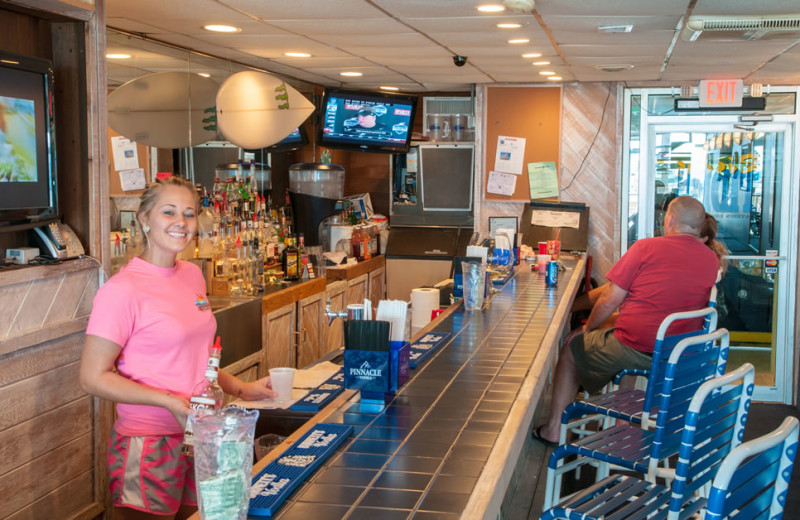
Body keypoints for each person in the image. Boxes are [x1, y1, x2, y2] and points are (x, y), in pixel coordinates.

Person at [79, 176, 277, 520]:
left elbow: (199, 359)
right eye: (169, 212)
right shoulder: (121, 290)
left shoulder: (191, 275)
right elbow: (92, 377)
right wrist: (168, 402)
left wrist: (242, 388)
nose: (181, 223)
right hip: (149, 442)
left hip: (199, 434)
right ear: (144, 219)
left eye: (189, 214)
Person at [531, 196, 720, 446]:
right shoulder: (711, 260)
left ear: (670, 220)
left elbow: (609, 299)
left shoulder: (646, 248)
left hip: (637, 349)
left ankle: (554, 429)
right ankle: (623, 420)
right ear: (698, 227)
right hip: (679, 356)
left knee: (571, 348)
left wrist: (586, 327)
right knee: (619, 334)